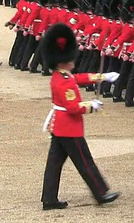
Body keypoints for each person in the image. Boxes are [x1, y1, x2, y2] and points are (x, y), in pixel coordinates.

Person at [40, 23, 120, 210]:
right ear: (63, 60)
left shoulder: (61, 76)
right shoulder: (64, 82)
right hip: (69, 128)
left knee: (54, 164)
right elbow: (73, 107)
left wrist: (103, 77)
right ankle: (101, 193)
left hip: (60, 127)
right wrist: (90, 105)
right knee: (85, 161)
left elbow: (80, 78)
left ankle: (49, 198)